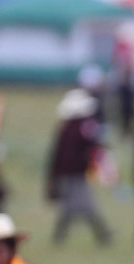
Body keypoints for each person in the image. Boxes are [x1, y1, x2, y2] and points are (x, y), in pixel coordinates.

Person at [47, 88, 112, 246]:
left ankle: (60, 237)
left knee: (69, 208)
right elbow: (93, 147)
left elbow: (56, 156)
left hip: (69, 174)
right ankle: (102, 234)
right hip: (75, 174)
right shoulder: (81, 129)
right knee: (86, 205)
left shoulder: (66, 129)